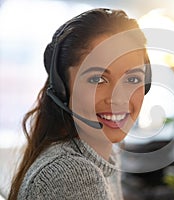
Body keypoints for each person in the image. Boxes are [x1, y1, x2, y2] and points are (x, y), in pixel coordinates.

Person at [8, 8, 151, 200]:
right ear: (63, 88)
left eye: (133, 80)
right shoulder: (73, 174)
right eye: (98, 79)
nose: (119, 99)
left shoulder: (104, 156)